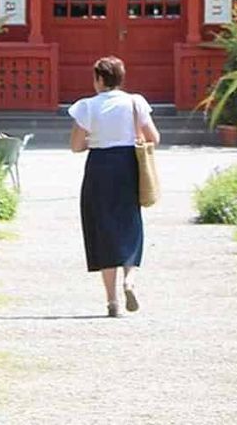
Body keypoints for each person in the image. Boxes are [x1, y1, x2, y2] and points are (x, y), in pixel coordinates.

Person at [68, 55, 161, 317]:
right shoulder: (135, 103)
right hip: (128, 165)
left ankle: (112, 301)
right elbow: (154, 137)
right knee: (130, 223)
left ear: (99, 79)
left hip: (99, 166)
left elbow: (76, 146)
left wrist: (95, 141)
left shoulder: (86, 106)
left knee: (103, 228)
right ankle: (129, 279)